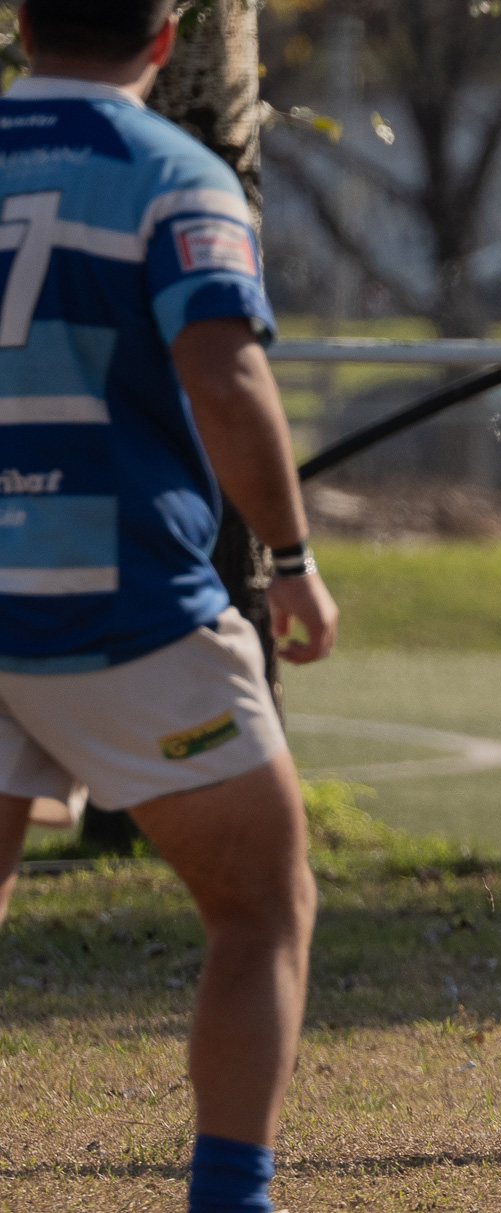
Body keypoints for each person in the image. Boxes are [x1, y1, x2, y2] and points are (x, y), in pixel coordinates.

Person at [0, 5, 338, 1212]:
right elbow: (224, 372)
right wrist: (291, 556)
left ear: (23, 22)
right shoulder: (172, 173)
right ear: (164, 36)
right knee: (259, 910)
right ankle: (230, 1198)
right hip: (121, 602)